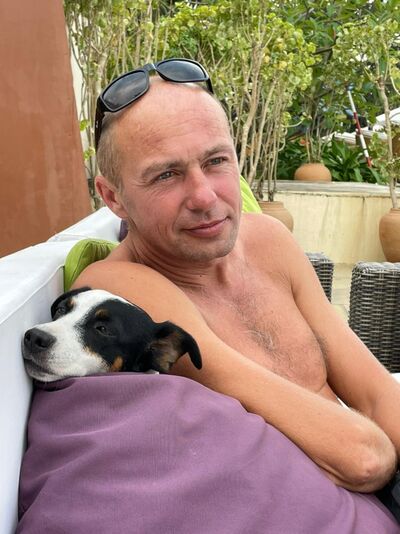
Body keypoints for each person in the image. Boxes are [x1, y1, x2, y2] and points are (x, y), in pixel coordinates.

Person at [75, 59, 400, 496]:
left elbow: (376, 392)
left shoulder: (269, 239)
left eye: (215, 161)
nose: (205, 196)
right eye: (166, 174)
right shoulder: (121, 290)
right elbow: (363, 459)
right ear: (113, 197)